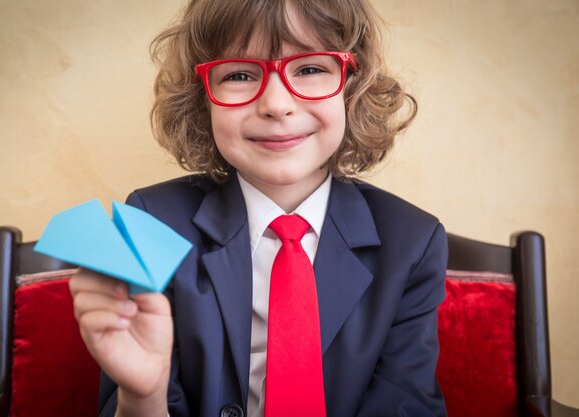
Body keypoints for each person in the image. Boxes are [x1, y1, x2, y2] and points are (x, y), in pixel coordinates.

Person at [69, 0, 448, 416]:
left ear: (352, 84)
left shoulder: (412, 240)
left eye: (309, 69)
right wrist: (144, 396)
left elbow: (405, 403)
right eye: (239, 75)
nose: (276, 104)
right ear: (203, 100)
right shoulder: (152, 222)